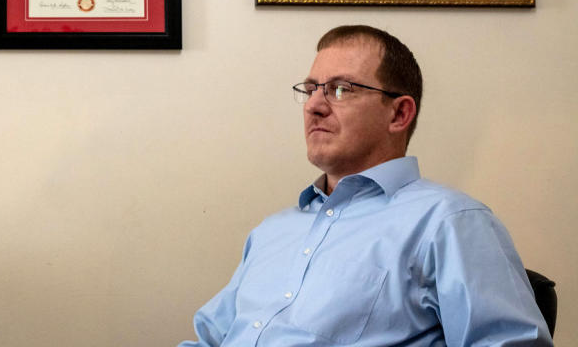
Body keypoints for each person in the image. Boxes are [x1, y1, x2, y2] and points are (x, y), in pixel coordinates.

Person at [179, 25, 552, 346]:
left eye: (341, 89)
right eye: (311, 89)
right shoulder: (271, 231)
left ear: (399, 113)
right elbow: (209, 338)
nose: (314, 106)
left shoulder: (449, 222)